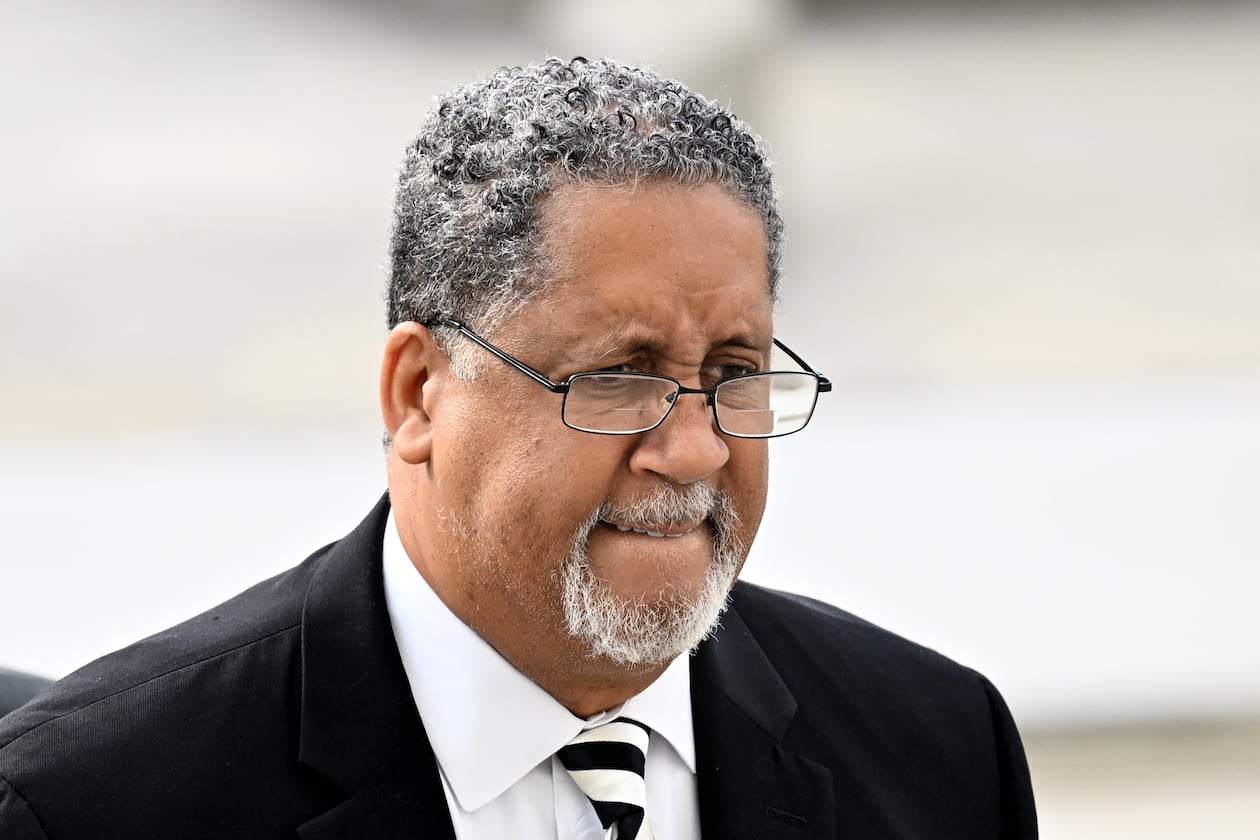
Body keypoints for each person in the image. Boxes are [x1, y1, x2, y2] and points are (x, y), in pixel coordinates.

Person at [0, 57, 1037, 838]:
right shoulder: (92, 804)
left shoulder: (941, 752)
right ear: (419, 392)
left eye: (733, 371)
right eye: (618, 375)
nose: (692, 451)